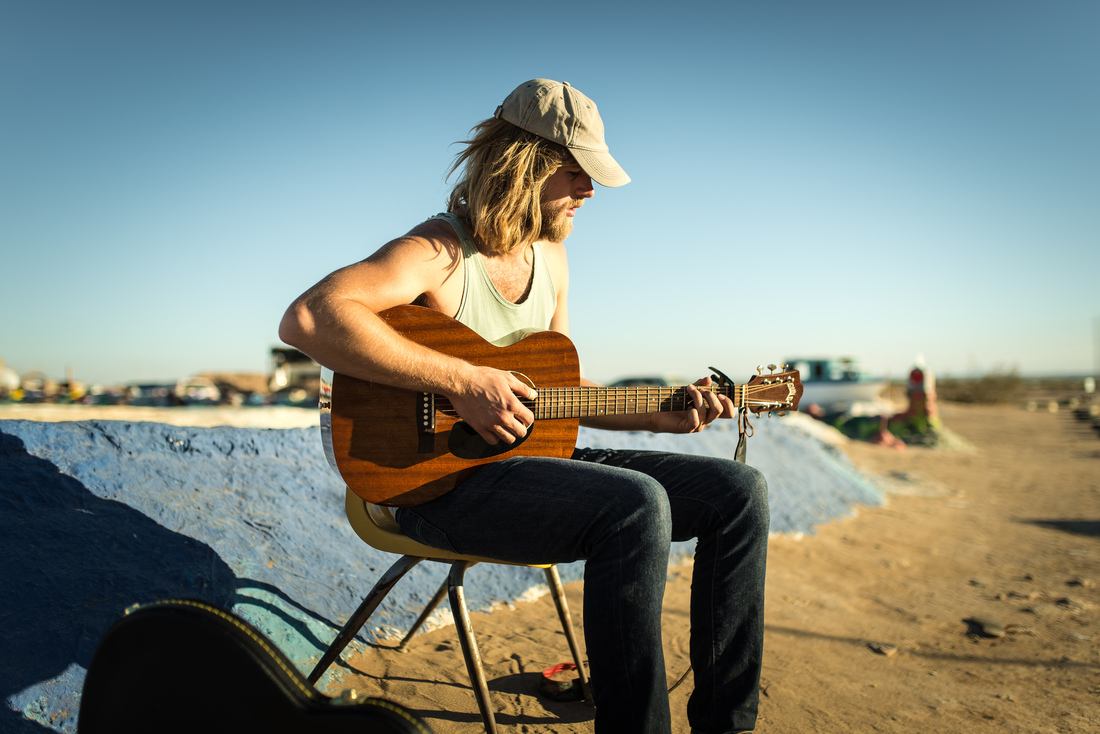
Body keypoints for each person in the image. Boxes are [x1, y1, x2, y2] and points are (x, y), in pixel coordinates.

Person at [279, 78, 769, 734]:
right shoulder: (436, 252)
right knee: (636, 503)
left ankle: (725, 726)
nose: (590, 191)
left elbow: (560, 392)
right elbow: (310, 317)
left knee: (739, 492)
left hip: (535, 467)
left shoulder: (553, 261)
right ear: (524, 165)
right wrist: (461, 380)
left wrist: (661, 415)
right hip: (435, 488)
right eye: (577, 173)